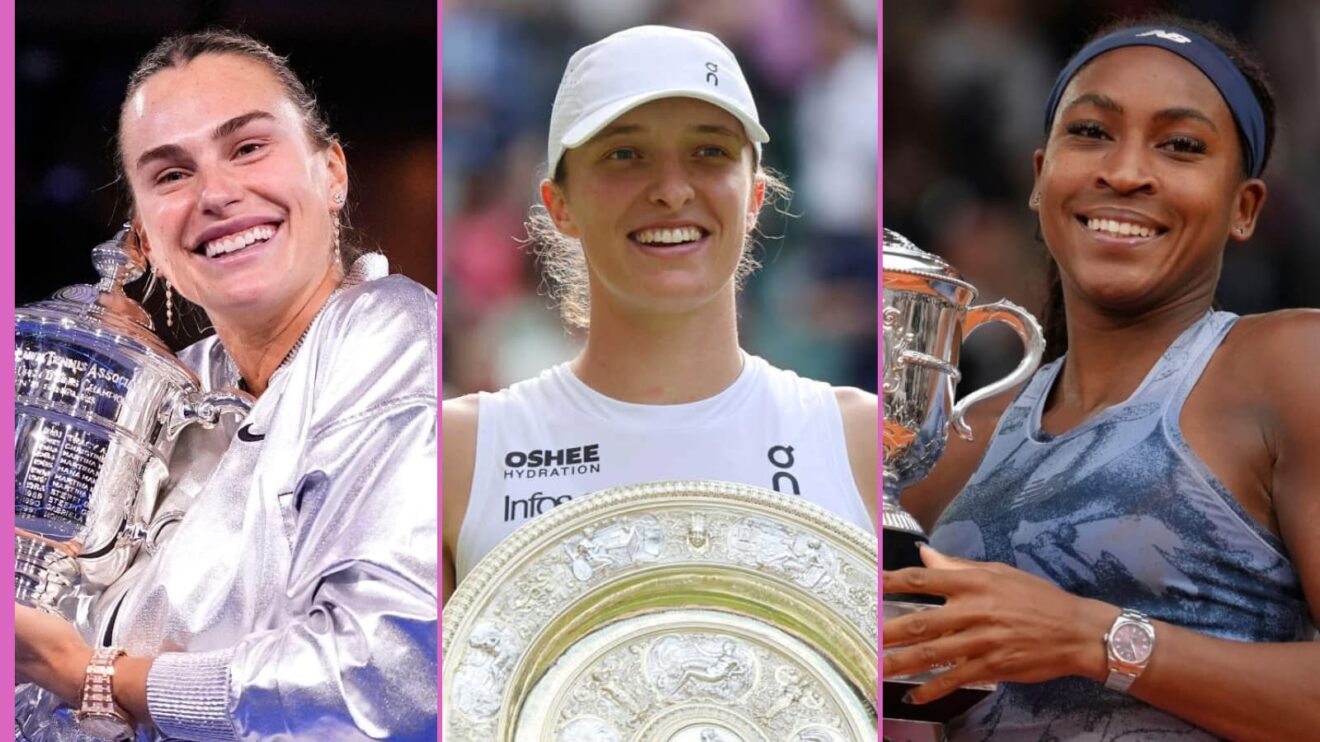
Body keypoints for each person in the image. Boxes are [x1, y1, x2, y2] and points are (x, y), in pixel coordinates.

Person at [884, 15, 1320, 741]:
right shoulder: (954, 445)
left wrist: (1092, 640)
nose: (1123, 171)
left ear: (1244, 209)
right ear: (1039, 177)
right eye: (1090, 133)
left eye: (1180, 146)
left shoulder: (1286, 366)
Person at [15, 30, 438, 741]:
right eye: (170, 175)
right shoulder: (170, 386)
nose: (216, 193)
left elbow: (390, 672)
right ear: (145, 241)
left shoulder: (388, 331)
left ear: (331, 172)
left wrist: (97, 677)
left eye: (247, 147)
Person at [442, 25, 878, 597]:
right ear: (559, 206)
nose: (672, 190)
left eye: (710, 152)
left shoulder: (862, 440)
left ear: (754, 198)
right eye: (625, 154)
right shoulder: (457, 452)